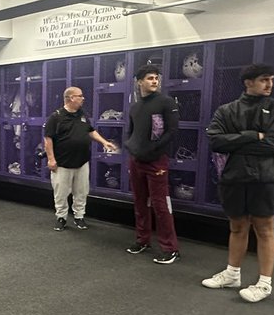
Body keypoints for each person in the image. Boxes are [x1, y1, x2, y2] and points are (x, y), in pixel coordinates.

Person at [202, 63, 274, 302]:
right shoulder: (227, 110)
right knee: (237, 226)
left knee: (265, 229)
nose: (270, 84)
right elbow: (215, 142)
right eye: (264, 79)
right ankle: (233, 274)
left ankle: (264, 283)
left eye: (271, 80)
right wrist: (253, 136)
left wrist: (235, 140)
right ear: (248, 82)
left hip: (267, 178)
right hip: (235, 177)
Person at [124, 64, 181, 263]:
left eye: (156, 78)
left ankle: (170, 248)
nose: (154, 81)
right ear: (140, 82)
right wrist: (130, 147)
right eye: (149, 78)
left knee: (160, 205)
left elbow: (172, 131)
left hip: (157, 161)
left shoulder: (165, 102)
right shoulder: (135, 106)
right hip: (136, 160)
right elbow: (130, 131)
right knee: (140, 202)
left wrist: (154, 149)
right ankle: (143, 240)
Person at [43, 86, 118, 230]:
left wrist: (104, 141)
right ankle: (61, 217)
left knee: (82, 191)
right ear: (71, 98)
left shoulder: (82, 114)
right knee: (61, 193)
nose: (83, 98)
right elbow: (48, 140)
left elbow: (90, 131)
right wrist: (51, 159)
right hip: (63, 163)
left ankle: (79, 217)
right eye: (80, 96)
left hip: (82, 162)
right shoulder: (56, 117)